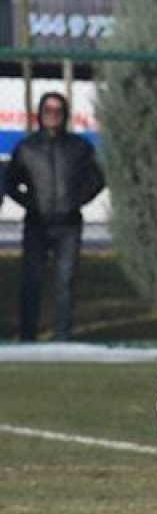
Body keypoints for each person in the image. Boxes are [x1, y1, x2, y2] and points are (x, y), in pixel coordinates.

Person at [3, 92, 105, 342]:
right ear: (40, 113)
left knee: (65, 281)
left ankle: (63, 335)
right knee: (32, 280)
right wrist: (30, 203)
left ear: (65, 114)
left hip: (69, 225)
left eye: (58, 111)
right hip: (36, 224)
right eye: (48, 111)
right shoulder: (27, 148)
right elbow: (10, 182)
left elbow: (97, 179)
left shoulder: (79, 147)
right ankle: (27, 335)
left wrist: (76, 201)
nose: (53, 116)